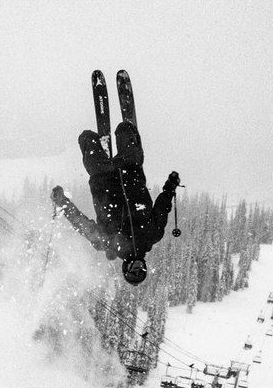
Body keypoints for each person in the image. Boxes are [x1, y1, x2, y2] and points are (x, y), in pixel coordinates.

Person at [51, 121, 179, 285]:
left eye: (134, 269)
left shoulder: (109, 244)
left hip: (102, 175)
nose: (138, 265)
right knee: (124, 128)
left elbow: (82, 225)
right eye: (141, 268)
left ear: (126, 267)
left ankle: (100, 144)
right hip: (130, 169)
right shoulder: (152, 235)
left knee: (86, 137)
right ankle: (124, 136)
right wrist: (170, 187)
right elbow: (162, 207)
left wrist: (63, 203)